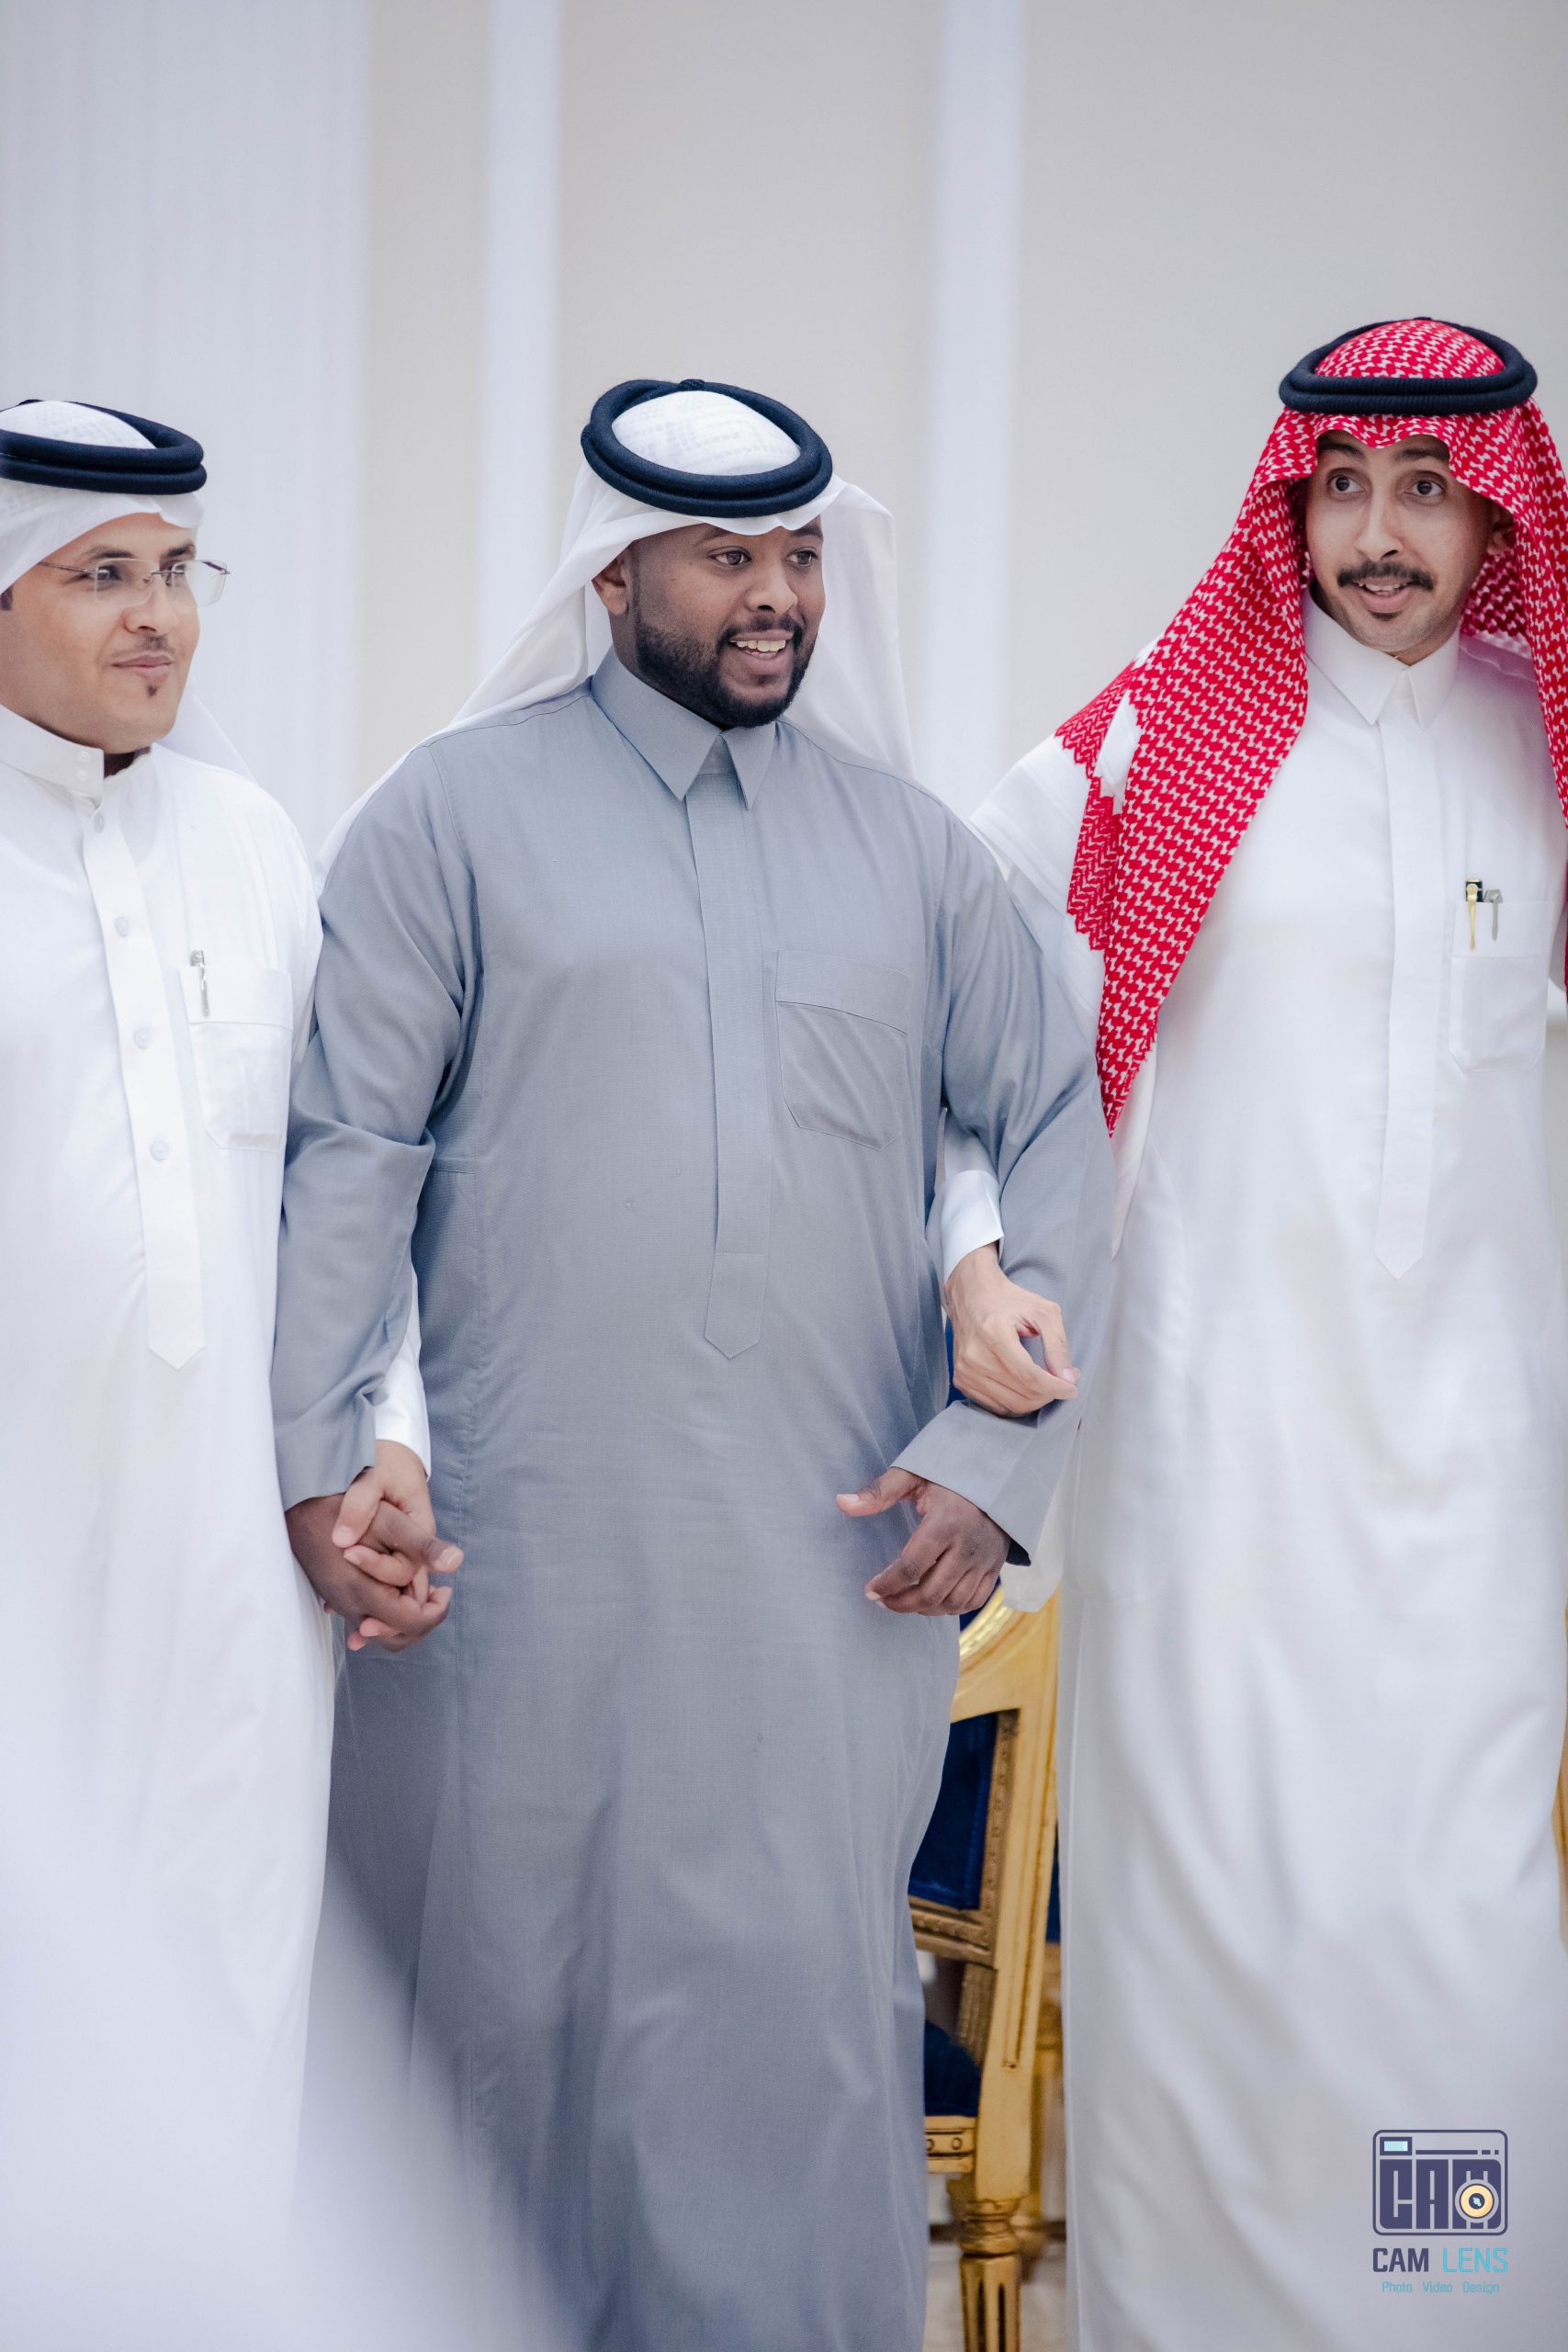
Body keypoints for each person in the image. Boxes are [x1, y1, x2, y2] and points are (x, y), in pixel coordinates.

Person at [272, 377, 1111, 2349]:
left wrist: (993, 1467)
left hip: (819, 1579)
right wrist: (320, 1465)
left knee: (786, 2039)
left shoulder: (913, 855)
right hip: (506, 1571)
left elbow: (1049, 1132)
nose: (776, 597)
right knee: (490, 2016)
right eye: (727, 558)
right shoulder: (445, 818)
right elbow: (347, 1154)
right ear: (614, 573)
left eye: (799, 555)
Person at [941, 320, 1568, 2348]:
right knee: (1214, 1940)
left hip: (1477, 1486)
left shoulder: (1542, 739)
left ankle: (1450, 2309)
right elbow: (943, 991)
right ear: (1289, 499)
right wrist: (972, 1252)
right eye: (1342, 486)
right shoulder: (1159, 734)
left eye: (1426, 489)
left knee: (1459, 1939)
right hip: (1214, 1461)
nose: (1379, 534)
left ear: (1498, 509)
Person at [0, 398, 453, 2230]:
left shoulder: (254, 842)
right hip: (29, 1573)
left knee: (227, 2038)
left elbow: (348, 1190)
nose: (157, 616)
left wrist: (386, 1437)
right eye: (103, 572)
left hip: (234, 1598)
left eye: (181, 572)